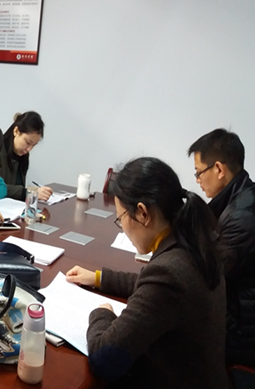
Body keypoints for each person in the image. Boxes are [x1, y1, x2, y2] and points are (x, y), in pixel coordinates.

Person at [66, 157, 228, 388]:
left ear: (143, 213)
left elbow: (104, 359)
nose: (122, 226)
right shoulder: (194, 244)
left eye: (121, 218)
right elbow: (151, 286)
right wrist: (99, 278)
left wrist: (102, 314)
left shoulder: (168, 273)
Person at [188, 128, 255, 366]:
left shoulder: (242, 217)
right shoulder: (239, 199)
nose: (197, 180)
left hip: (240, 332)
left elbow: (207, 278)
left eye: (199, 173)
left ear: (218, 169)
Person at [0, 111, 53, 201]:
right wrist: (28, 193)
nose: (29, 149)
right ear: (16, 131)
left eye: (33, 145)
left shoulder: (23, 155)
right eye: (28, 142)